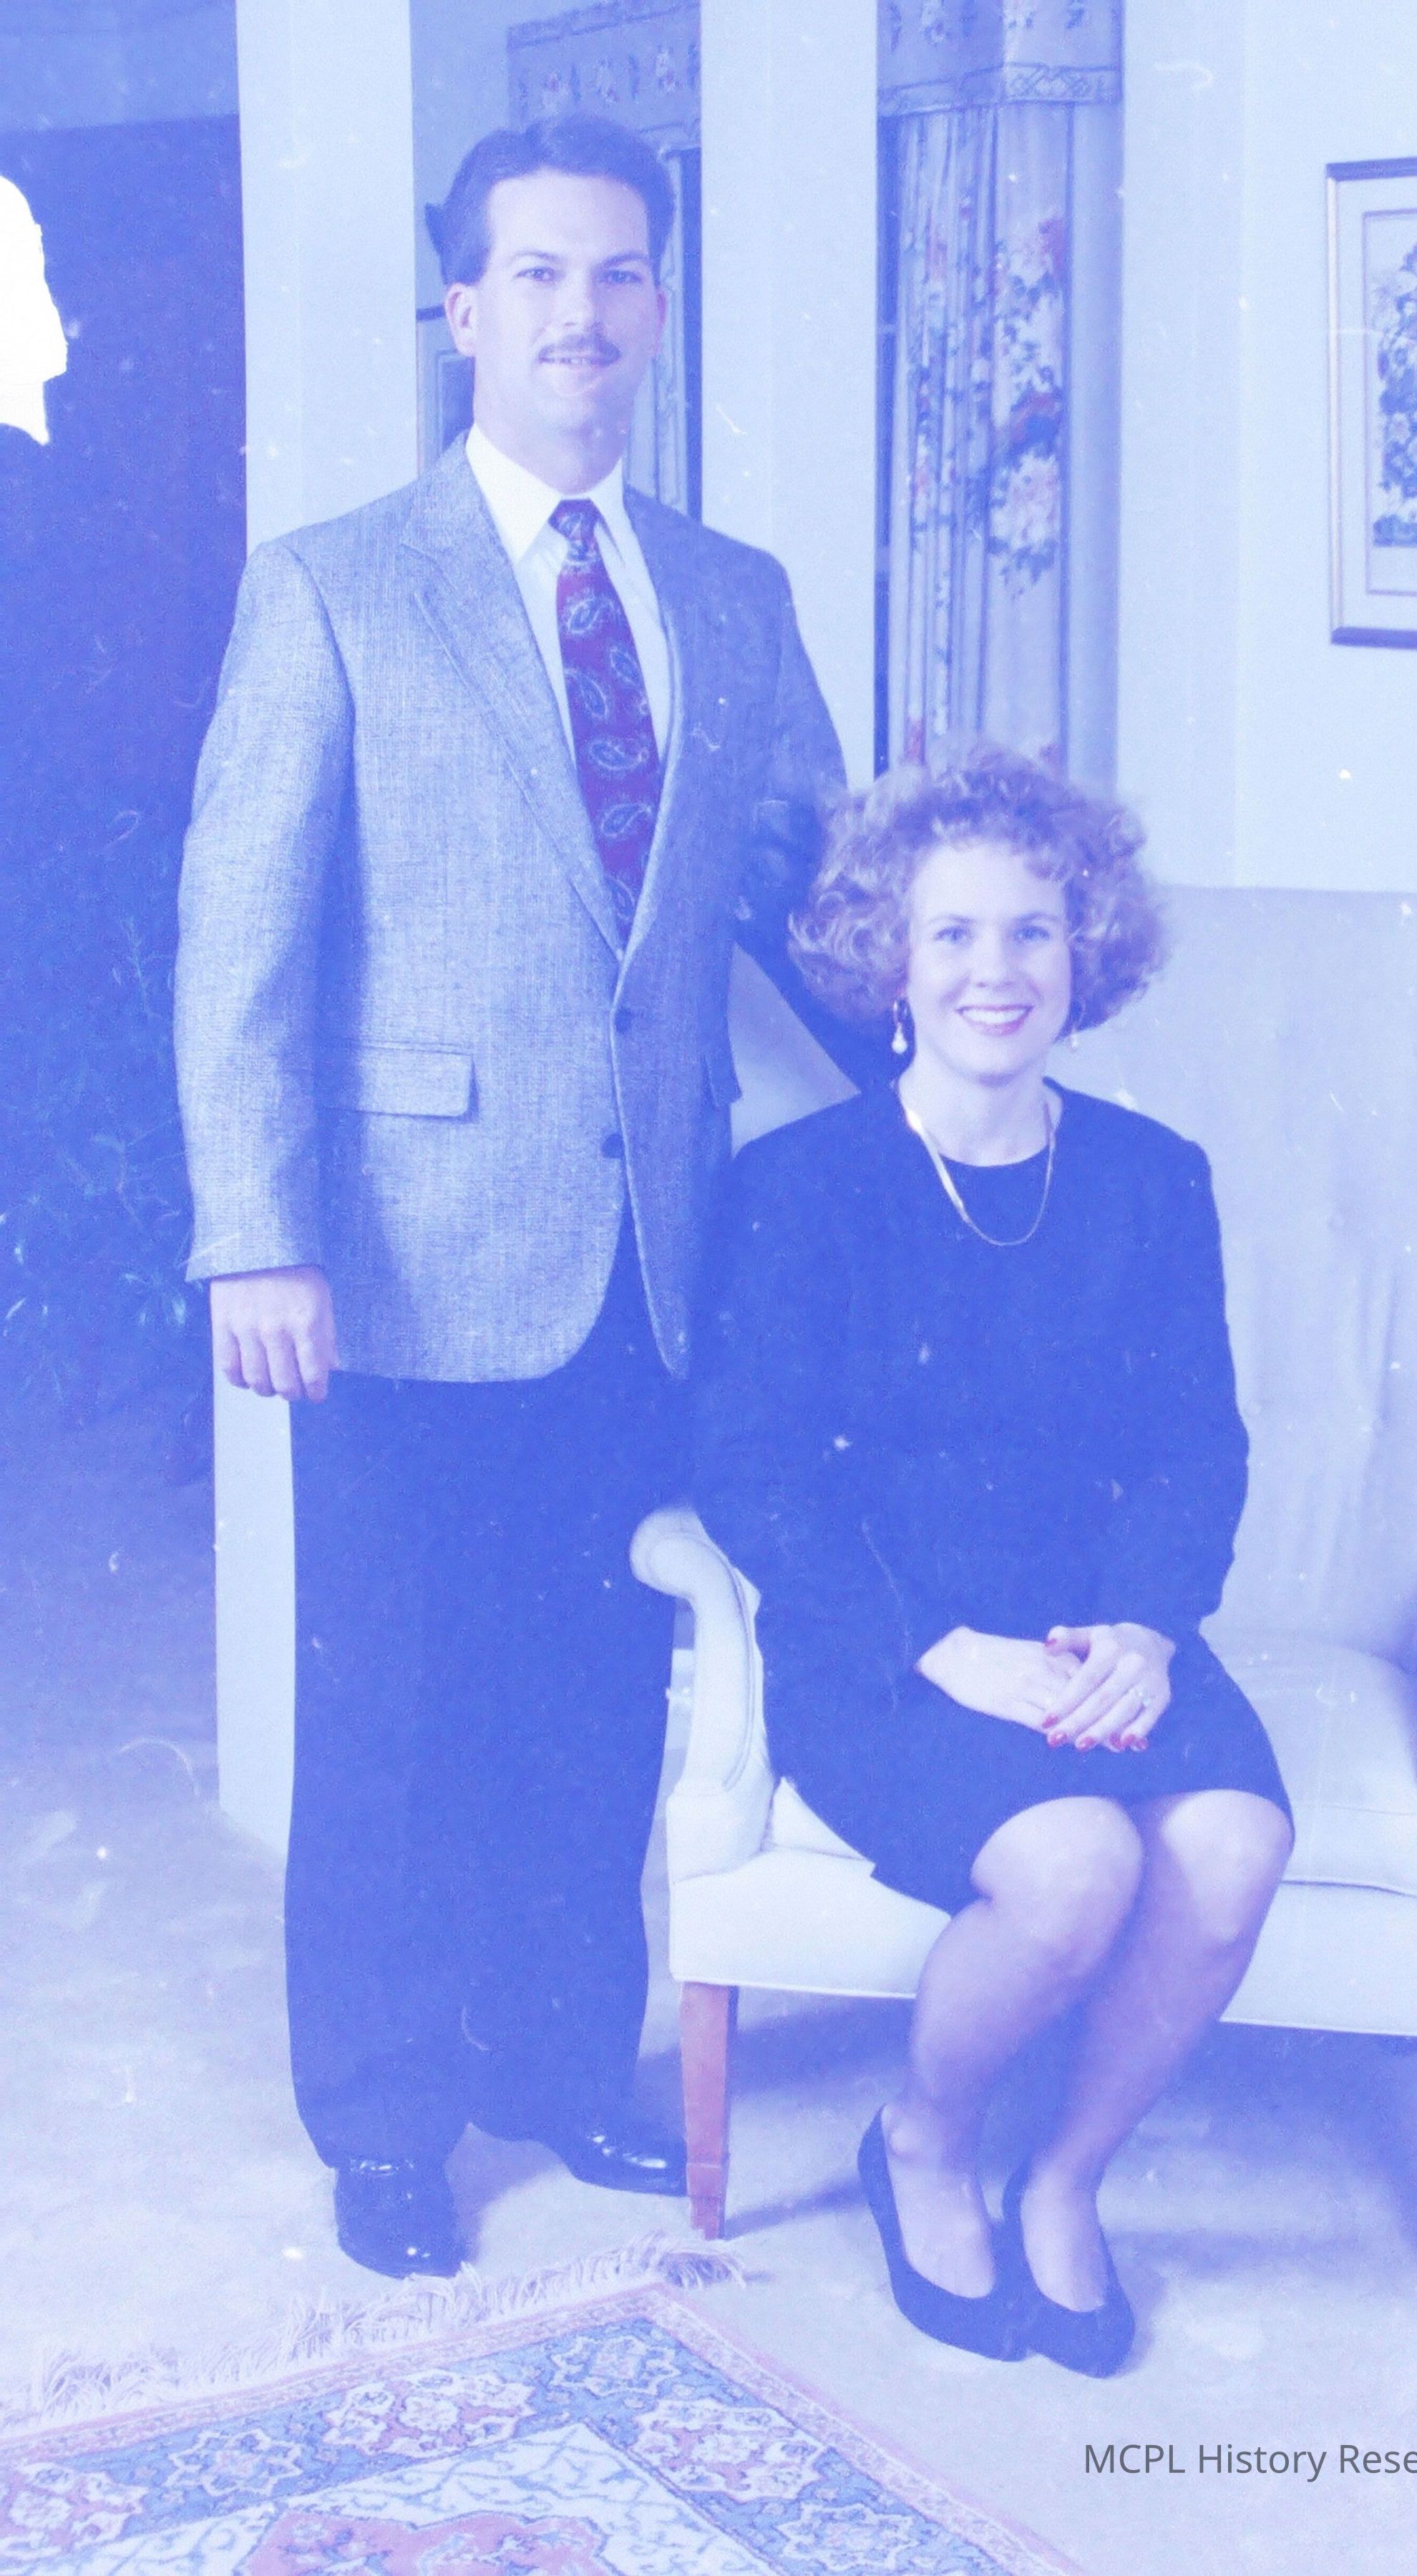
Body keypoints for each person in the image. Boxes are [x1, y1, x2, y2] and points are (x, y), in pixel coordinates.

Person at [174, 113, 868, 2279]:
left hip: (656, 1255)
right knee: (393, 1702)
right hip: (398, 1255)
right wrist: (257, 1235)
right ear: (462, 307)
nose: (583, 314)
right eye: (539, 275)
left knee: (589, 1694)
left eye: (620, 274)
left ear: (658, 307)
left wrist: (967, 1054)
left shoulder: (733, 598)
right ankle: (387, 2123)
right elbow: (241, 942)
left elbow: (819, 906)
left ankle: (563, 2061)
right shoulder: (334, 584)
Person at [693, 746, 1295, 2374]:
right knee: (1075, 1865)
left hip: (1097, 1633)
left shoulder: (1154, 1182)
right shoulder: (801, 1188)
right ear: (887, 958)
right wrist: (937, 1646)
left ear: (1085, 951)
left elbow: (1195, 1449)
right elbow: (749, 1472)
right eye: (952, 933)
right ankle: (924, 2141)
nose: (996, 971)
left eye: (1033, 930)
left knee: (1233, 1845)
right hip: (887, 1648)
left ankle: (1069, 2172)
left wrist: (1150, 1631)